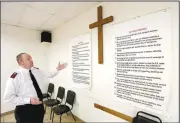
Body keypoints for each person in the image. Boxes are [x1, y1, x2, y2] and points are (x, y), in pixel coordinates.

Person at [3, 53, 68, 123]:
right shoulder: (15, 76)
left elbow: (49, 74)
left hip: (39, 106)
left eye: (31, 58)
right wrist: (29, 100)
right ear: (21, 62)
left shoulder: (35, 70)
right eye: (28, 59)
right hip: (25, 110)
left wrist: (57, 69)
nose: (31, 60)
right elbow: (8, 98)